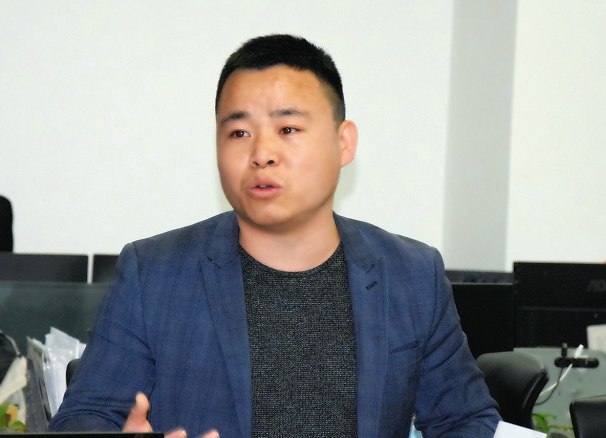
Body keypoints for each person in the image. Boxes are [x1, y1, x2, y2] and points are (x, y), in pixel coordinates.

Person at [49, 34, 500, 437]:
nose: (262, 153)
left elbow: (465, 420)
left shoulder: (412, 275)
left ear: (343, 142)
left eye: (288, 129)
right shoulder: (154, 273)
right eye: (239, 132)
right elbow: (83, 418)